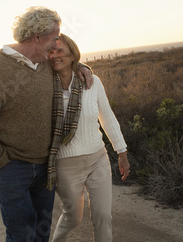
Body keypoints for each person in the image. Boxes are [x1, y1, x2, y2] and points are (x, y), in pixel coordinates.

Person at [0, 6, 92, 242]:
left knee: (41, 232)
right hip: (12, 169)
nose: (56, 44)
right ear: (37, 37)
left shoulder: (45, 64)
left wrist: (81, 67)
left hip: (45, 167)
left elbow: (66, 65)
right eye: (54, 37)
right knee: (21, 235)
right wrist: (1, 162)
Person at [46, 34, 130, 242]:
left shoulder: (92, 82)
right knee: (73, 218)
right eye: (51, 51)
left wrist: (121, 152)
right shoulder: (44, 86)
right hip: (66, 165)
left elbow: (107, 117)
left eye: (60, 51)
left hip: (97, 159)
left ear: (73, 54)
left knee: (103, 216)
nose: (55, 55)